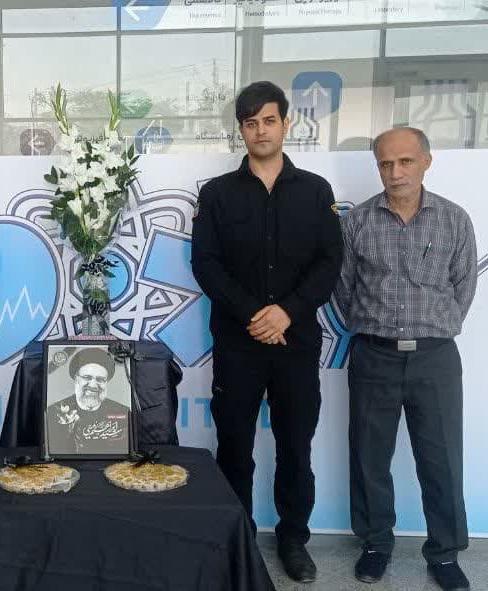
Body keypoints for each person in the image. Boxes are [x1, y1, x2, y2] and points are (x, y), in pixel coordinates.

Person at [190, 81, 343, 583]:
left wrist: (287, 313)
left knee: (295, 448)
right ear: (241, 130)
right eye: (251, 123)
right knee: (234, 447)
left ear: (286, 124)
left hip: (296, 345)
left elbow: (329, 262)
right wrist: (257, 316)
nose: (260, 131)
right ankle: (238, 542)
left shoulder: (316, 191)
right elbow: (206, 264)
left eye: (269, 120)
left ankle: (293, 539)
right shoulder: (217, 194)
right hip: (238, 344)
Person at [335, 127, 476, 591]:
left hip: (435, 358)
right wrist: (372, 327)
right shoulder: (357, 223)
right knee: (369, 456)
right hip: (373, 355)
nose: (395, 172)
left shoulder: (454, 220)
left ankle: (445, 552)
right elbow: (343, 289)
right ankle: (376, 544)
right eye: (385, 163)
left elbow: (463, 288)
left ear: (426, 162)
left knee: (442, 458)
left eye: (405, 161)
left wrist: (430, 327)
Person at [45, 348, 129, 455]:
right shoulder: (53, 412)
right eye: (87, 377)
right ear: (76, 379)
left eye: (100, 379)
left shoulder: (123, 412)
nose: (93, 385)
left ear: (106, 382)